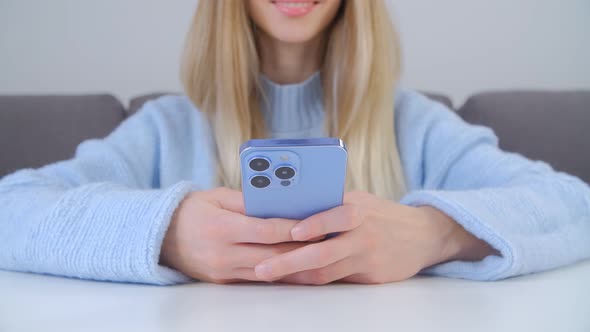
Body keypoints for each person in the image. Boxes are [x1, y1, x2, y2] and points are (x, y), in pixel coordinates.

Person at [1, 0, 589, 286]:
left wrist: (437, 234)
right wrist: (167, 233)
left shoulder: (413, 123)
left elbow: (574, 203)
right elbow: (10, 209)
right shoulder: (167, 126)